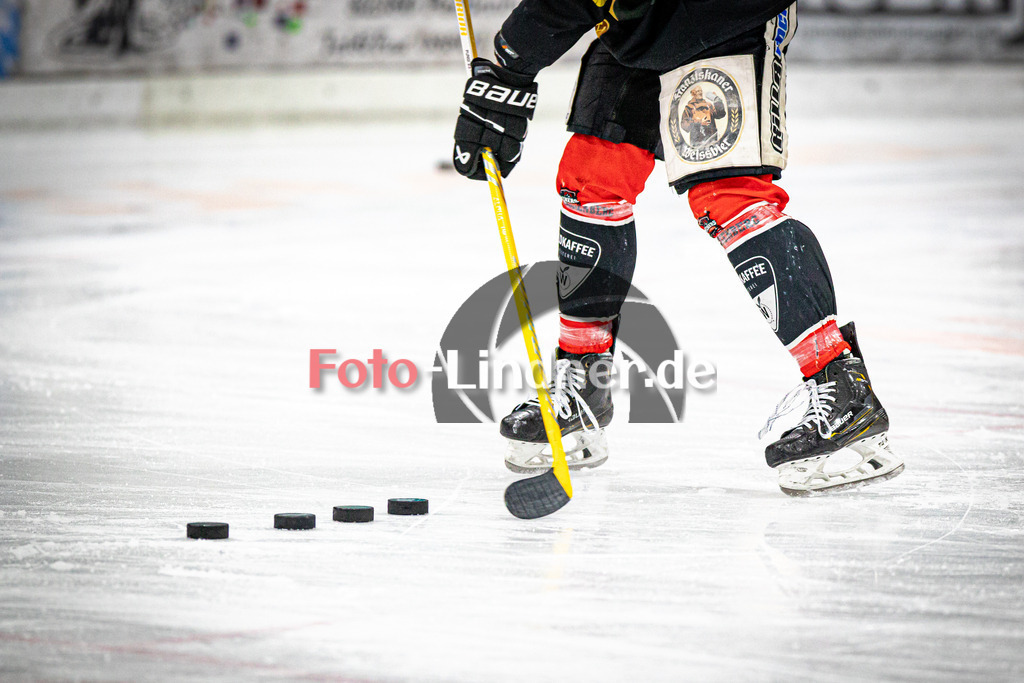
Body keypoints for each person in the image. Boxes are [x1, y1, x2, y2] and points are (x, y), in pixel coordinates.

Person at [451, 0, 904, 494]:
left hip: (722, 13)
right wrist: (508, 67)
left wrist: (510, 63)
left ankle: (841, 388)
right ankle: (585, 377)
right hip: (636, 23)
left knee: (730, 197)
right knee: (592, 177)